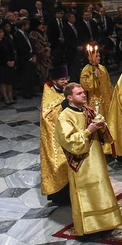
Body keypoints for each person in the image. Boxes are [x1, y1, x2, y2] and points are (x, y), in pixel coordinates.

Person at [55, 83, 122, 236]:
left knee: (101, 188)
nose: (84, 95)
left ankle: (107, 223)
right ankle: (89, 229)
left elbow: (105, 136)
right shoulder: (64, 117)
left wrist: (102, 126)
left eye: (83, 93)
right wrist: (88, 131)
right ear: (70, 98)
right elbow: (69, 142)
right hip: (81, 162)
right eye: (79, 94)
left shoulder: (89, 111)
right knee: (86, 193)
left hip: (97, 159)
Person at [40, 64, 70, 205]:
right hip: (54, 135)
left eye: (66, 78)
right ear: (55, 81)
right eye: (62, 79)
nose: (65, 82)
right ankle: (59, 197)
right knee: (59, 162)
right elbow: (47, 115)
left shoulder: (67, 90)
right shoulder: (49, 94)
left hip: (68, 131)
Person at [79, 49, 112, 115]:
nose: (99, 58)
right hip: (94, 101)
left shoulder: (102, 68)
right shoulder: (86, 70)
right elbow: (86, 86)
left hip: (107, 100)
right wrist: (94, 76)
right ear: (89, 57)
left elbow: (109, 84)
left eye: (99, 56)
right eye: (96, 56)